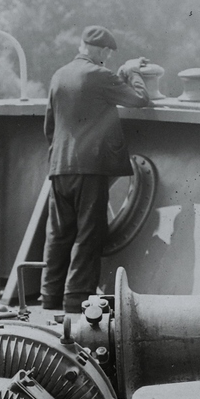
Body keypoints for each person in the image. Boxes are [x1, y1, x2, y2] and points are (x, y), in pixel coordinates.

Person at [40, 25, 151, 313]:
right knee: (89, 234)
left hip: (59, 167)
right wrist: (132, 72)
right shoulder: (100, 76)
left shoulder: (59, 75)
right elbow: (139, 99)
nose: (108, 61)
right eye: (109, 56)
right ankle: (76, 300)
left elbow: (49, 127)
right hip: (89, 169)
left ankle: (50, 299)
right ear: (102, 51)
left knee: (58, 234)